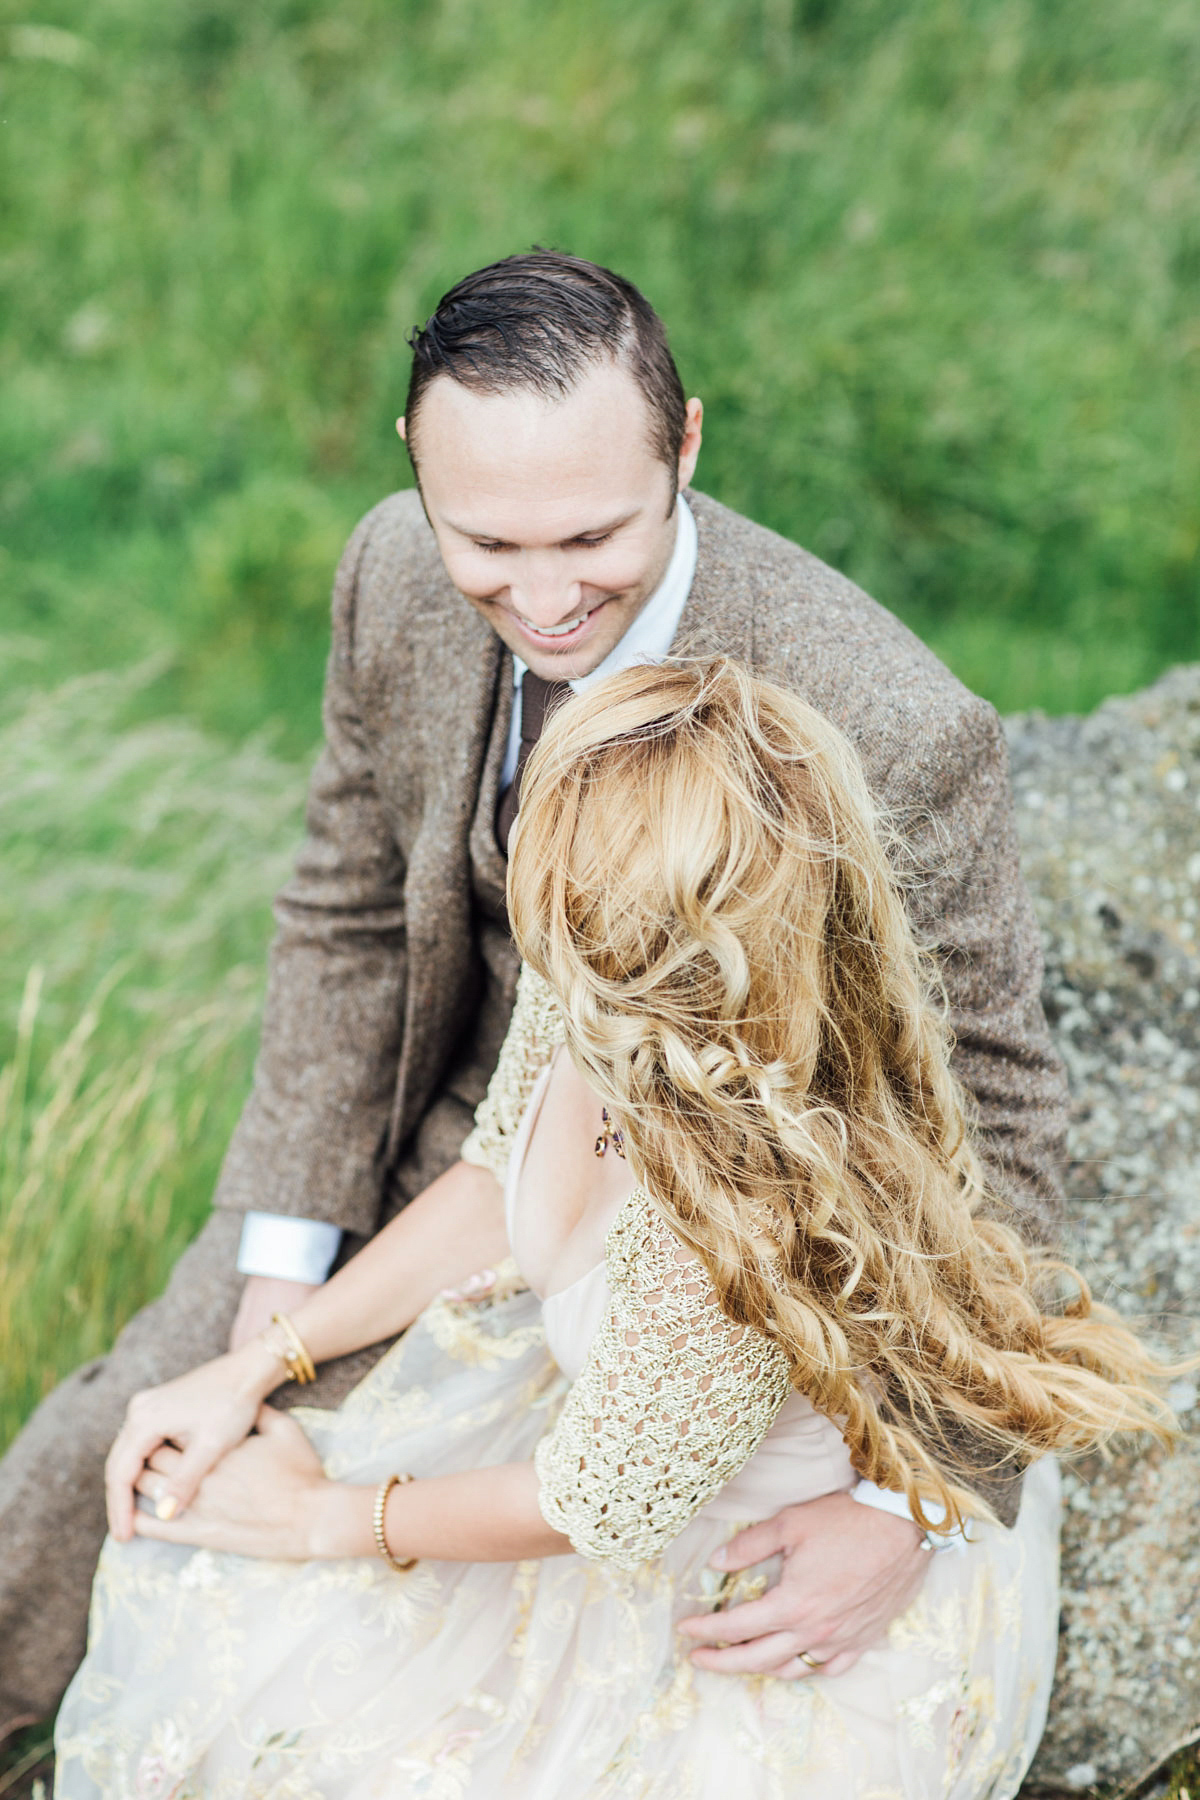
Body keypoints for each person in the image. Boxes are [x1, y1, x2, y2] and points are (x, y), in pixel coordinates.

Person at [0, 250, 1070, 1729]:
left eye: (592, 535)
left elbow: (1002, 1115)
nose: (545, 596)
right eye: (487, 542)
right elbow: (347, 911)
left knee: (300, 1574)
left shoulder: (889, 724)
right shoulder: (388, 568)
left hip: (704, 1229)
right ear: (414, 471)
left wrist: (918, 1503)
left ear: (685, 444)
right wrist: (277, 1281)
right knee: (96, 1454)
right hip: (474, 1145)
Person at [54, 660, 1173, 1798]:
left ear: (685, 950)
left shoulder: (741, 1221)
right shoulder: (597, 961)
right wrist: (258, 1362)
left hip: (730, 1572)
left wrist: (325, 1520)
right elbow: (495, 1175)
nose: (537, 946)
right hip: (616, 1439)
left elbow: (591, 1504)